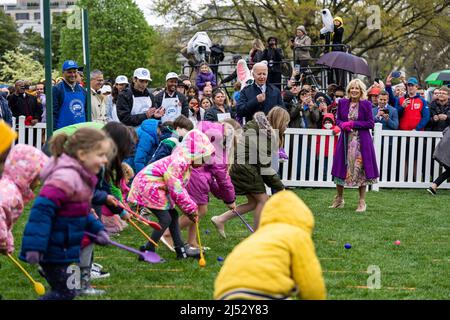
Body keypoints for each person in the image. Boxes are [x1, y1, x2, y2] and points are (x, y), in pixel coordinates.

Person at [19, 128, 112, 300]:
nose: (105, 160)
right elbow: (41, 214)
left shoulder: (81, 179)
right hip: (53, 252)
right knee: (65, 293)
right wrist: (34, 248)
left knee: (69, 292)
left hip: (68, 251)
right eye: (101, 155)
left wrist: (98, 230)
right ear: (83, 154)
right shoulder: (65, 178)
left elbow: (82, 214)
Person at [214, 190, 326, 300]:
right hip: (265, 292)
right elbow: (310, 282)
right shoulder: (296, 235)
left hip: (226, 293)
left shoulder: (254, 238)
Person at [127, 129, 215, 260]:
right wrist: (191, 209)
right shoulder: (179, 162)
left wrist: (188, 208)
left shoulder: (184, 163)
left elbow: (176, 188)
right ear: (194, 154)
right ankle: (148, 250)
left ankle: (180, 249)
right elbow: (176, 187)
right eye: (202, 159)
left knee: (173, 215)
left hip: (155, 187)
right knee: (165, 219)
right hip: (148, 186)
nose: (203, 163)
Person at [211, 108, 288, 237]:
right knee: (263, 200)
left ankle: (220, 219)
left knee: (254, 202)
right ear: (279, 121)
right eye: (286, 123)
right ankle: (257, 235)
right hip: (246, 169)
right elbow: (265, 167)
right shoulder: (267, 135)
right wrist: (280, 187)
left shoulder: (255, 125)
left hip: (240, 166)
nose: (286, 126)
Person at [330, 79, 379, 212]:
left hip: (361, 142)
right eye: (352, 88)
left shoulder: (366, 104)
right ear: (349, 90)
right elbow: (338, 120)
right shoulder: (343, 103)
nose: (354, 91)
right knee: (341, 168)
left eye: (357, 88)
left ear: (361, 90)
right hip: (345, 141)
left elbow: (370, 123)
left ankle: (362, 202)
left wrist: (353, 124)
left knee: (361, 170)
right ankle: (339, 199)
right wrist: (342, 125)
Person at [0, 145, 48, 256]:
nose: (39, 183)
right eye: (37, 178)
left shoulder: (9, 187)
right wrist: (1, 240)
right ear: (26, 175)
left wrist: (8, 244)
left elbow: (6, 223)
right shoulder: (10, 193)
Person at [52, 60, 87, 130]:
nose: (73, 75)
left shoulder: (83, 90)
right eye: (69, 72)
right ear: (63, 73)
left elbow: (86, 112)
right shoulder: (57, 89)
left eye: (74, 72)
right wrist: (54, 131)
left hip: (80, 132)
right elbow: (53, 113)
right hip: (63, 132)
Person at [427, 125, 450, 195]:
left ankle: (434, 186)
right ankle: (434, 186)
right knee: (449, 171)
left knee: (449, 171)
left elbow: (444, 132)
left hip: (441, 151)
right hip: (446, 153)